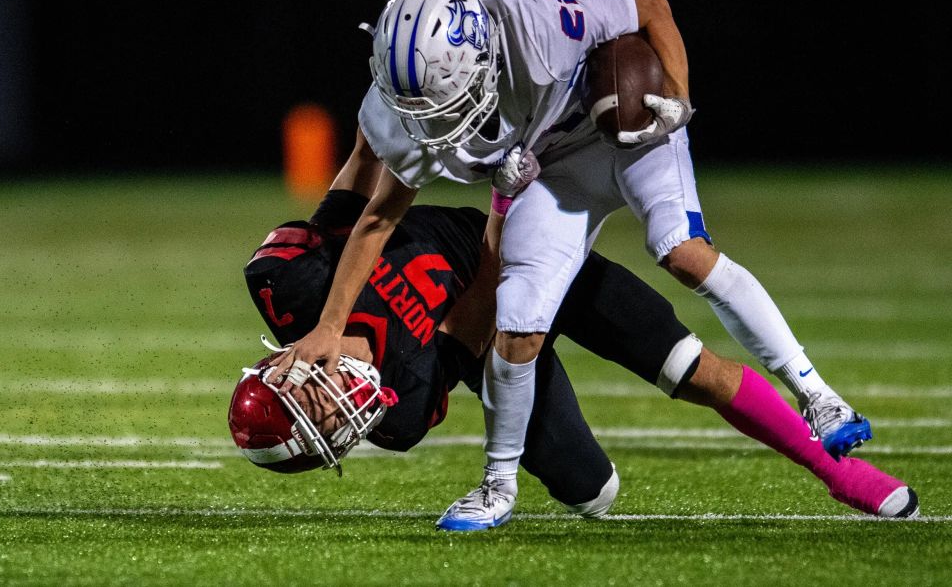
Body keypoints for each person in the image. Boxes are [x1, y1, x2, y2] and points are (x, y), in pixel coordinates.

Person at [266, 0, 871, 529]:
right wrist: (332, 324)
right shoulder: (407, 111)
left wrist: (679, 99)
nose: (426, 121)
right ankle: (497, 486)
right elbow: (379, 215)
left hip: (626, 132)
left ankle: (815, 392)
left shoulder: (533, 18)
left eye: (437, 100)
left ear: (478, 55)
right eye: (414, 106)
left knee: (680, 252)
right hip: (549, 171)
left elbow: (653, 7)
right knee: (519, 320)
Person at [234, 166, 919, 527]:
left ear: (279, 369)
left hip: (529, 251)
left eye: (316, 417)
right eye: (331, 438)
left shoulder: (286, 280)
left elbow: (363, 174)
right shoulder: (400, 411)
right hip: (495, 294)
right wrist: (504, 217)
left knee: (691, 369)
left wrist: (396, 107)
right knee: (593, 493)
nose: (342, 419)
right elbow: (479, 315)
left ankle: (840, 476)